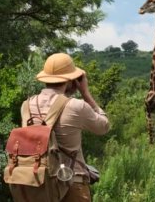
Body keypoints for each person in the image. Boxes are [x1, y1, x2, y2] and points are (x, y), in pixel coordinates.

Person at [26, 53, 109, 201]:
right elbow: (103, 127)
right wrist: (86, 93)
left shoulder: (27, 105)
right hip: (71, 183)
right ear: (70, 80)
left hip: (38, 184)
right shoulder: (76, 106)